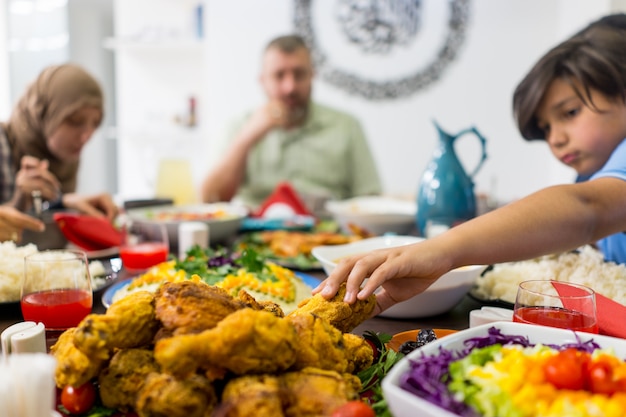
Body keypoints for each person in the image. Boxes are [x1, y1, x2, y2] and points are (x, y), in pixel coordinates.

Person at [314, 18, 626, 315]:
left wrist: (440, 251)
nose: (555, 139)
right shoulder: (592, 171)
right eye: (545, 129)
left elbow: (586, 209)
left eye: (570, 112)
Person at [201, 34, 381, 210]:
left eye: (299, 74)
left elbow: (371, 201)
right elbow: (209, 200)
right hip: (253, 234)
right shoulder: (238, 126)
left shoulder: (347, 126)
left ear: (312, 75)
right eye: (279, 75)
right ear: (263, 81)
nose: (290, 87)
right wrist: (248, 136)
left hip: (331, 233)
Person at [0, 63, 118, 220]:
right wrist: (17, 204)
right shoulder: (3, 145)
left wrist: (65, 203)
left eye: (95, 124)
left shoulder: (62, 158)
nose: (85, 137)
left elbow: (44, 228)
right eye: (75, 121)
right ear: (45, 113)